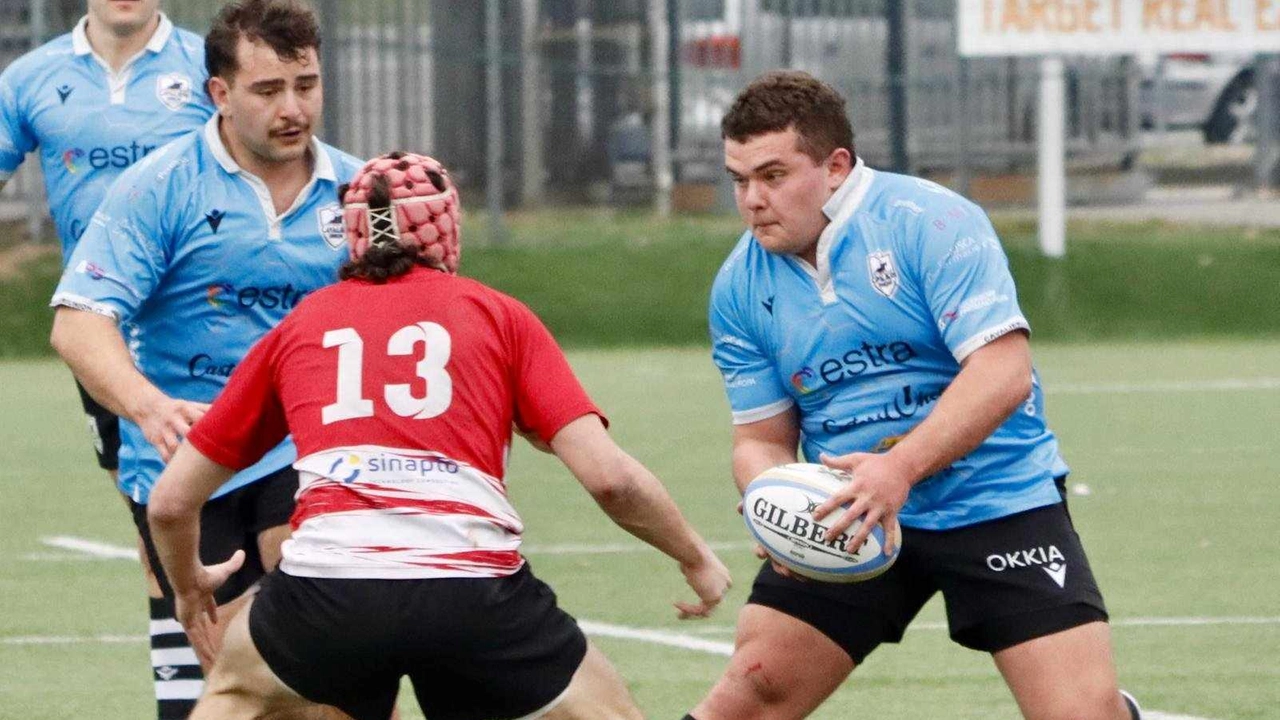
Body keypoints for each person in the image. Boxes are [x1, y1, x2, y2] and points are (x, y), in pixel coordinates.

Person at [144, 150, 733, 720]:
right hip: (474, 596)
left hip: (327, 596)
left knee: (235, 695)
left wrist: (190, 587)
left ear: (351, 236)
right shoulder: (499, 315)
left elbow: (171, 503)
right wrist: (695, 555)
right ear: (445, 227)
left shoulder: (300, 326)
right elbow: (610, 480)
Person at [687, 70, 1143, 720]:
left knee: (1079, 715)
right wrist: (769, 499)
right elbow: (760, 439)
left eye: (773, 175)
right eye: (739, 180)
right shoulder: (738, 288)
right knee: (751, 698)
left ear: (836, 165)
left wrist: (897, 470)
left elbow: (1003, 372)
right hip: (846, 515)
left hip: (995, 496)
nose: (753, 199)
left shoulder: (930, 221)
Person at [47, 1, 360, 717]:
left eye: (306, 85)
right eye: (267, 90)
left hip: (304, 451)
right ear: (219, 93)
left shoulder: (358, 194)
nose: (293, 108)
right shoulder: (159, 186)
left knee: (330, 683)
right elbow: (78, 323)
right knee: (205, 691)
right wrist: (146, 404)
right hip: (184, 459)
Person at [0, 6, 212, 710]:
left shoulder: (207, 64)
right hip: (106, 338)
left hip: (209, 328)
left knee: (239, 508)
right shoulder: (31, 80)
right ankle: (187, 699)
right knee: (152, 507)